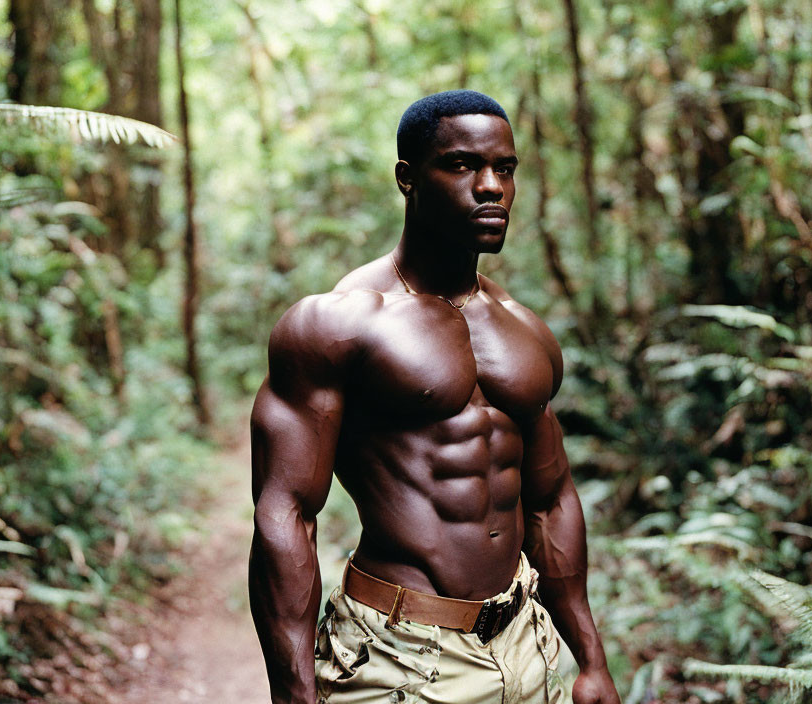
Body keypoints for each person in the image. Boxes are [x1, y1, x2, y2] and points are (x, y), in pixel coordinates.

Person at [249, 90, 620, 704]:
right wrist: (293, 692)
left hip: (525, 646)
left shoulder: (523, 329)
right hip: (399, 655)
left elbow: (551, 501)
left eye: (505, 169)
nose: (491, 187)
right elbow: (285, 513)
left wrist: (592, 661)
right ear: (407, 178)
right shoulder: (338, 324)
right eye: (462, 165)